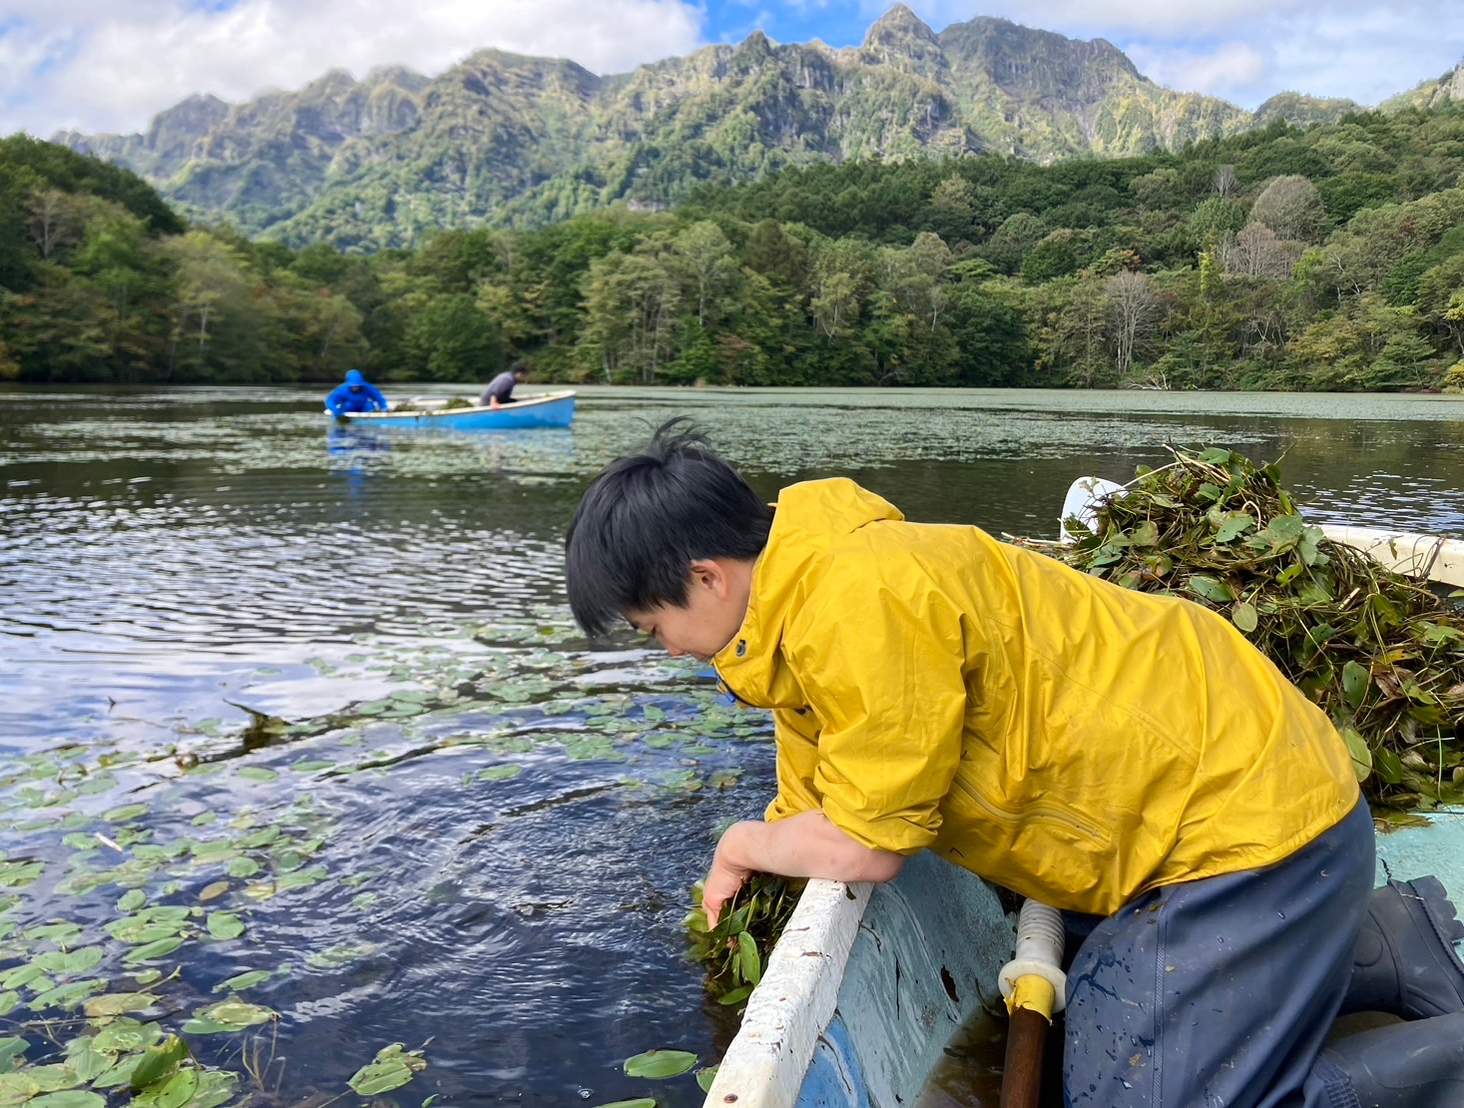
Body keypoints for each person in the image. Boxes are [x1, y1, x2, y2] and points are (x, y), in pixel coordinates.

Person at [564, 422, 1464, 1108]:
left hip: (1248, 821)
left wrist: (737, 846)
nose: (667, 649)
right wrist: (763, 842)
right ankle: (1392, 942)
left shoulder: (858, 598)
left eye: (652, 628)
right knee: (1103, 1008)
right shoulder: (791, 622)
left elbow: (871, 843)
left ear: (708, 575)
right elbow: (821, 796)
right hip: (1192, 814)